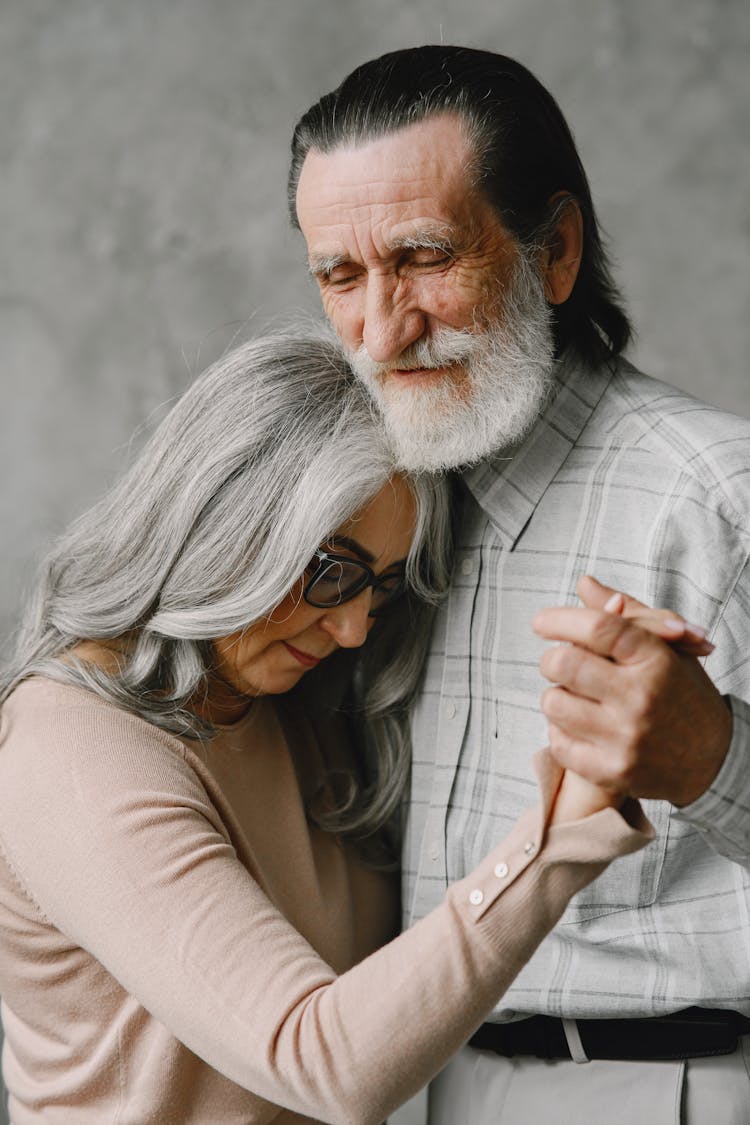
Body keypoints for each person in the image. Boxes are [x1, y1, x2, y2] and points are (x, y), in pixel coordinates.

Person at [0, 327, 655, 1124]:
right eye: (331, 571)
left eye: (376, 587)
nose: (351, 628)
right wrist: (555, 839)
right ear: (228, 521)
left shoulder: (294, 705)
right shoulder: (69, 744)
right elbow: (323, 1060)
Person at [288, 46, 750, 1122]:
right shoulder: (351, 503)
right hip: (438, 1088)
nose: (383, 330)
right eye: (341, 277)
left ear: (555, 252)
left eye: (424, 257)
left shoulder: (720, 497)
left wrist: (715, 757)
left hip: (669, 1091)